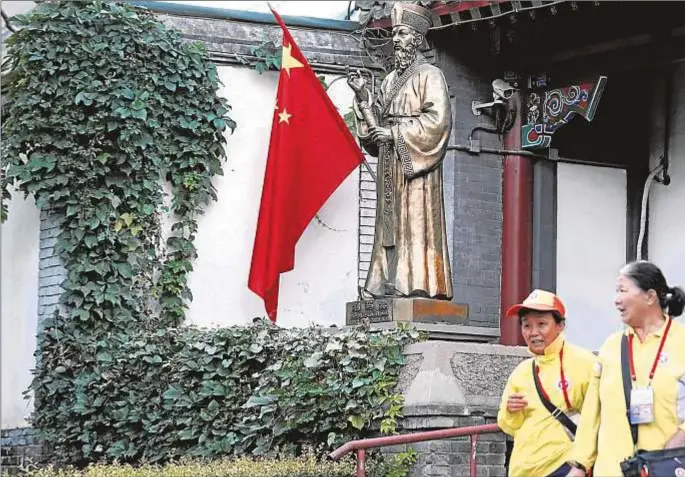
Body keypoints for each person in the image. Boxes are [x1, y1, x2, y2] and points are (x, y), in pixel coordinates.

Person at [346, 2, 453, 300]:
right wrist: (364, 98)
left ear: (417, 39)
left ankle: (415, 283)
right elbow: (375, 125)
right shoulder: (391, 80)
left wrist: (394, 133)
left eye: (402, 33)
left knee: (415, 224)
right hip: (390, 167)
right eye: (394, 33)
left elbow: (438, 121)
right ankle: (382, 284)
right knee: (387, 227)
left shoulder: (430, 75)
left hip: (414, 168)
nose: (395, 40)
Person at [566, 261, 685, 477]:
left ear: (650, 297)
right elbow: (593, 411)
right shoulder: (611, 347)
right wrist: (580, 465)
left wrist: (679, 440)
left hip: (665, 468)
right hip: (611, 471)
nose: (616, 300)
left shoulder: (681, 343)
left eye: (622, 290)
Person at [497, 289, 596, 477]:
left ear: (560, 325)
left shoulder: (585, 363)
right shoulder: (521, 372)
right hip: (522, 470)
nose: (533, 333)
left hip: (565, 467)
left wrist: (581, 466)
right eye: (526, 326)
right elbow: (507, 426)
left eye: (542, 324)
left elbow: (599, 419)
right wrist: (511, 411)